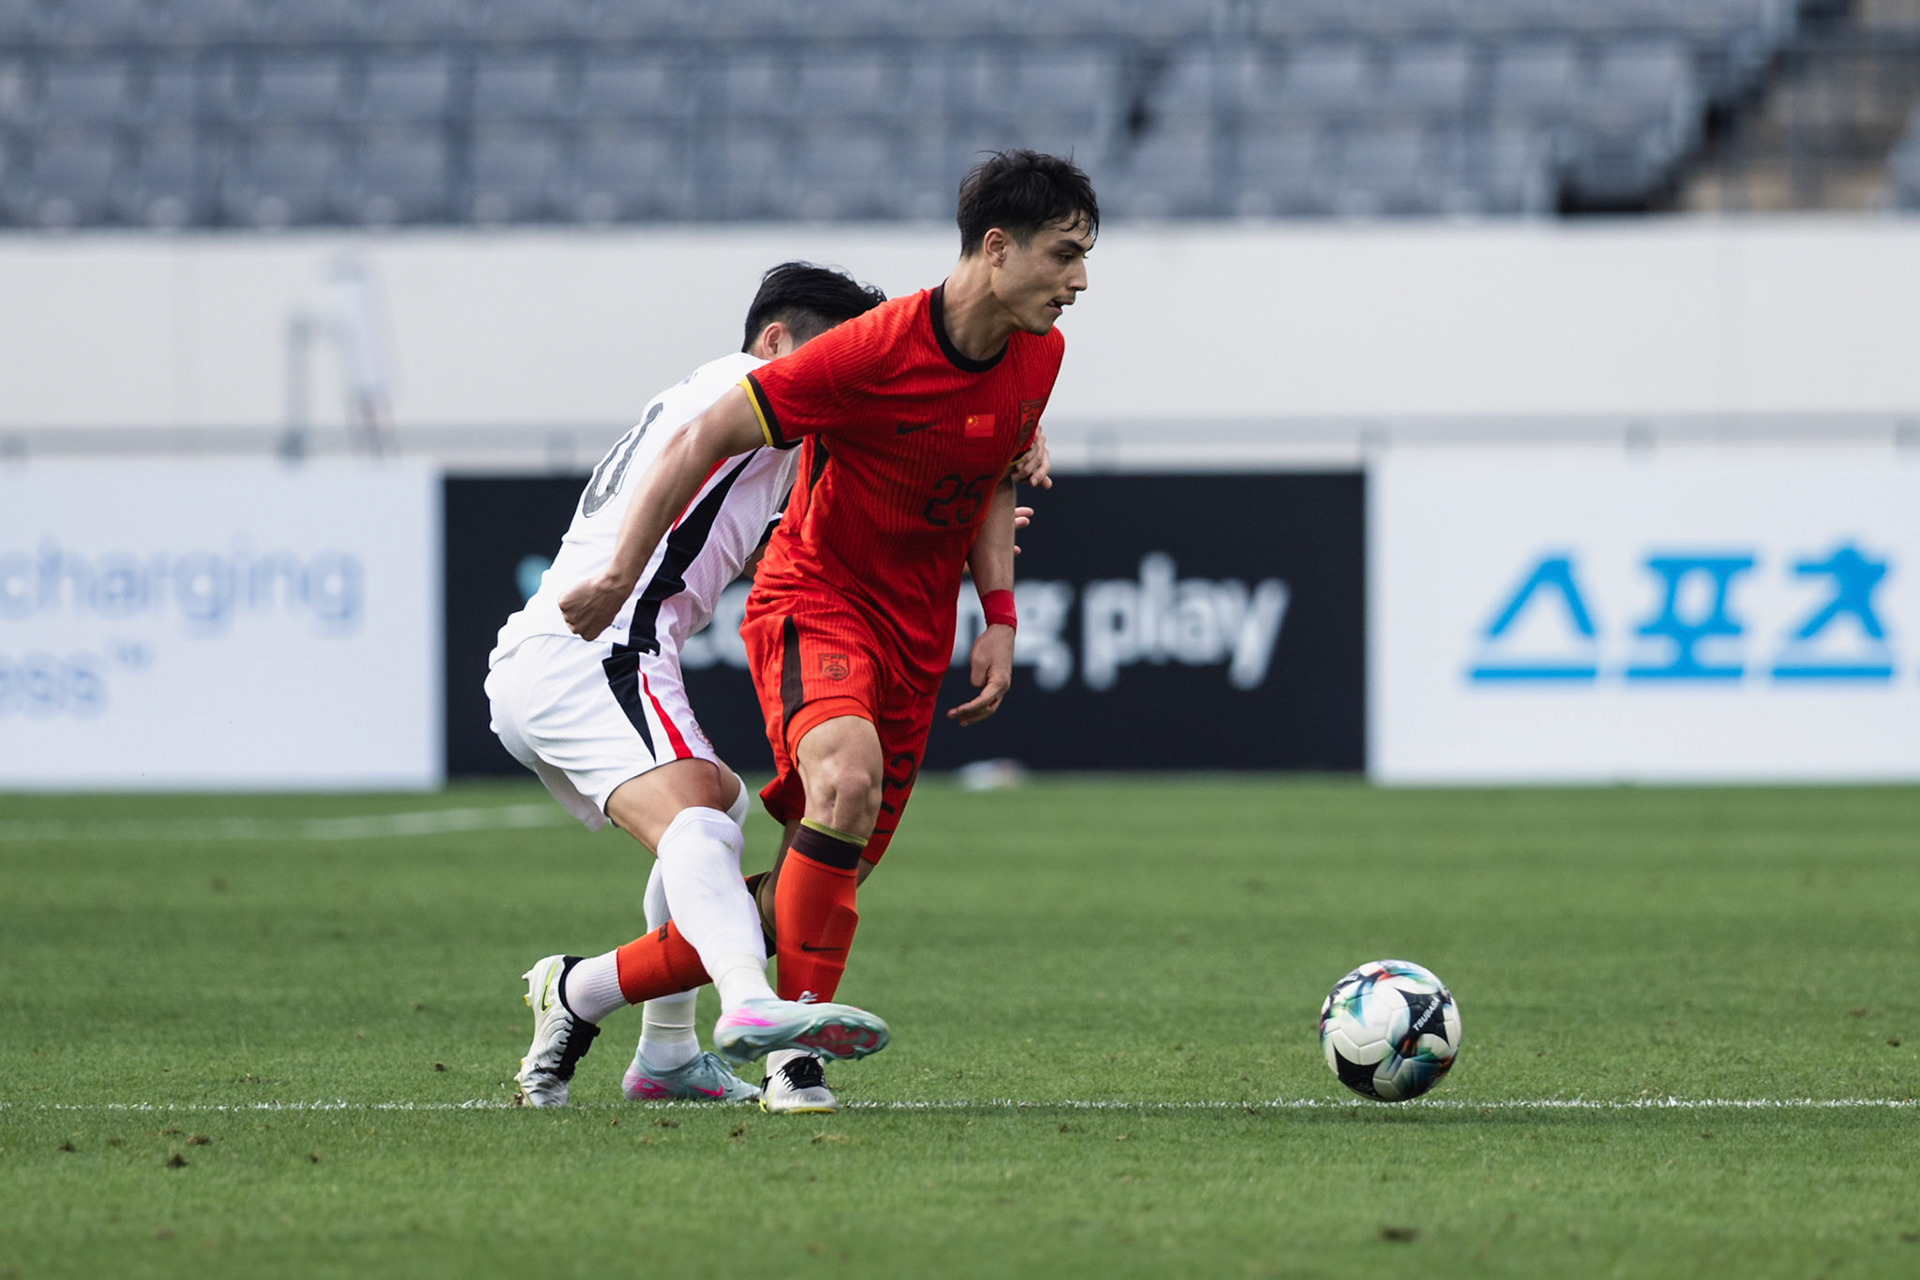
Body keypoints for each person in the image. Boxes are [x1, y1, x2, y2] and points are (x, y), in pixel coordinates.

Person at [560, 149, 1097, 1113]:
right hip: (817, 600)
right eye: (1065, 254)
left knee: (807, 885)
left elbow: (990, 477)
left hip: (916, 638)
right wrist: (615, 569)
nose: (1081, 280)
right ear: (996, 246)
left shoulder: (1040, 356)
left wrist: (1000, 616)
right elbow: (707, 434)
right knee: (842, 782)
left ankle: (578, 990)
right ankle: (793, 1062)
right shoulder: (871, 351)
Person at [487, 263, 896, 1109]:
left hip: (579, 651)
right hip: (596, 648)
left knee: (721, 806)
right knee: (702, 826)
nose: (839, 383)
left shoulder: (747, 419)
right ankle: (751, 1002)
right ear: (776, 343)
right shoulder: (746, 388)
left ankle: (655, 1044)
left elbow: (749, 533)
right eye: (832, 357)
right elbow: (695, 462)